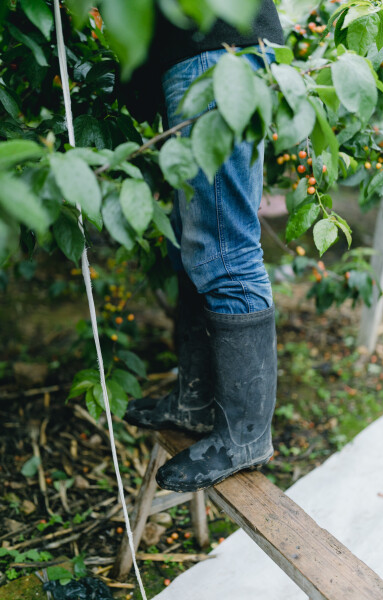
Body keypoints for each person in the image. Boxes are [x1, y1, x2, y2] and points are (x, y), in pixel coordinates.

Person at [125, 0, 285, 492]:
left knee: (224, 251)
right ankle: (195, 404)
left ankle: (246, 435)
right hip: (207, 54)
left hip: (212, 56)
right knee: (198, 247)